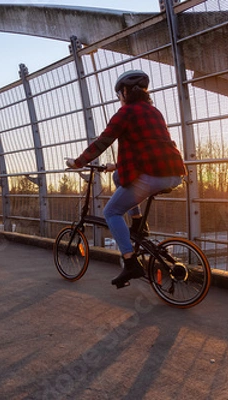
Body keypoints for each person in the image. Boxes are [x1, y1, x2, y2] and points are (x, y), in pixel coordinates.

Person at [66, 69, 187, 288]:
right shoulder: (154, 111)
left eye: (119, 94)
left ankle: (130, 263)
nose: (119, 98)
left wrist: (79, 162)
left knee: (111, 212)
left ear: (124, 92)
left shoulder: (126, 112)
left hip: (152, 177)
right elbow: (149, 149)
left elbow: (103, 141)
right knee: (119, 176)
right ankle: (138, 222)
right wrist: (117, 165)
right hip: (173, 173)